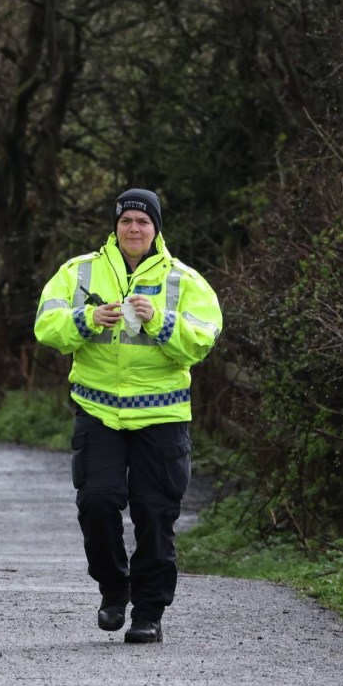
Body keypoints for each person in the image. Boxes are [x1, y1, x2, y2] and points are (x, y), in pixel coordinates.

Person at [34, 188, 221, 644]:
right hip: (98, 412)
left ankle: (149, 613)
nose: (133, 229)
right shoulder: (78, 271)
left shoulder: (184, 279)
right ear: (115, 227)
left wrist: (159, 320)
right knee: (96, 503)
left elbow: (203, 340)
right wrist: (87, 318)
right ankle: (114, 589)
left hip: (162, 416)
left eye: (142, 222)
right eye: (126, 222)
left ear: (156, 229)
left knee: (155, 515)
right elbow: (46, 327)